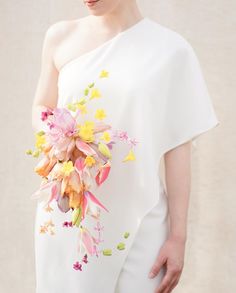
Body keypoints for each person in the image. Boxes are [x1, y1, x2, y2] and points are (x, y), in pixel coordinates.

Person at [31, 1, 219, 293]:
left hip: (142, 214)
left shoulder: (171, 50)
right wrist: (59, 134)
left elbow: (178, 147)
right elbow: (42, 105)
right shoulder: (60, 37)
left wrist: (178, 237)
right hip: (71, 210)